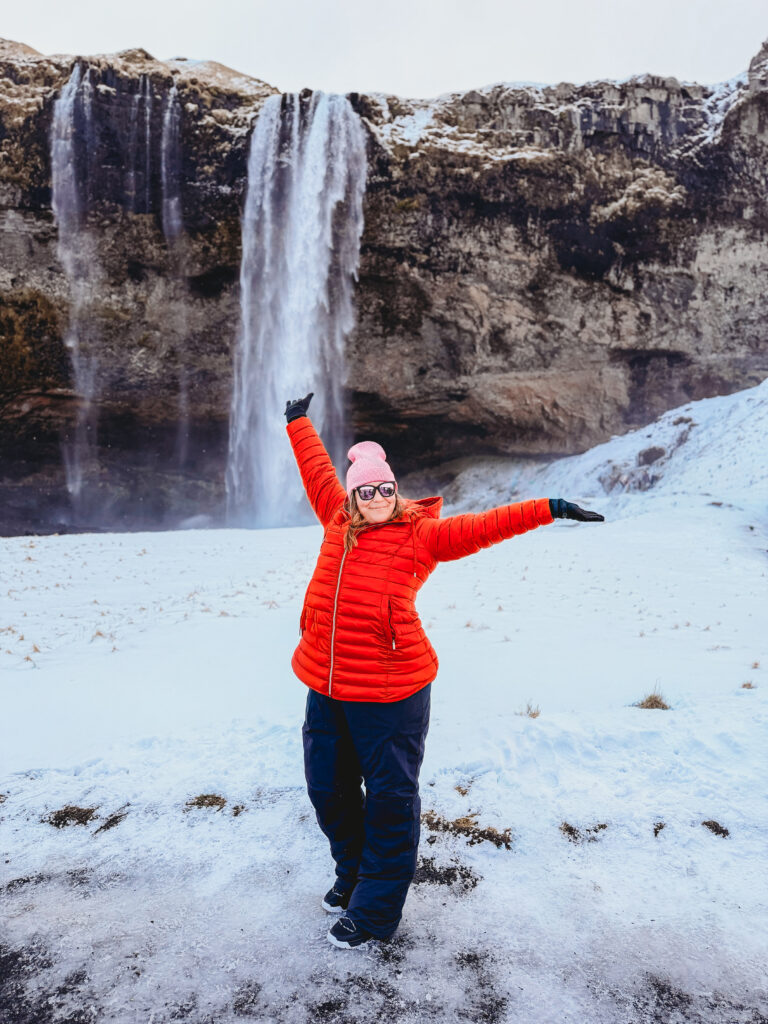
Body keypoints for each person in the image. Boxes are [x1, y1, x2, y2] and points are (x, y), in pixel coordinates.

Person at [284, 391, 604, 949]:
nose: (379, 497)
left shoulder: (420, 535)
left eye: (387, 488)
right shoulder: (337, 517)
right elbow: (315, 467)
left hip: (391, 691)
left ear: (395, 489)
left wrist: (549, 507)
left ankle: (376, 912)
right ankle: (353, 875)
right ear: (355, 496)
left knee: (388, 800)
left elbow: (483, 526)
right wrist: (297, 421)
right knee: (328, 790)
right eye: (368, 490)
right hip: (326, 685)